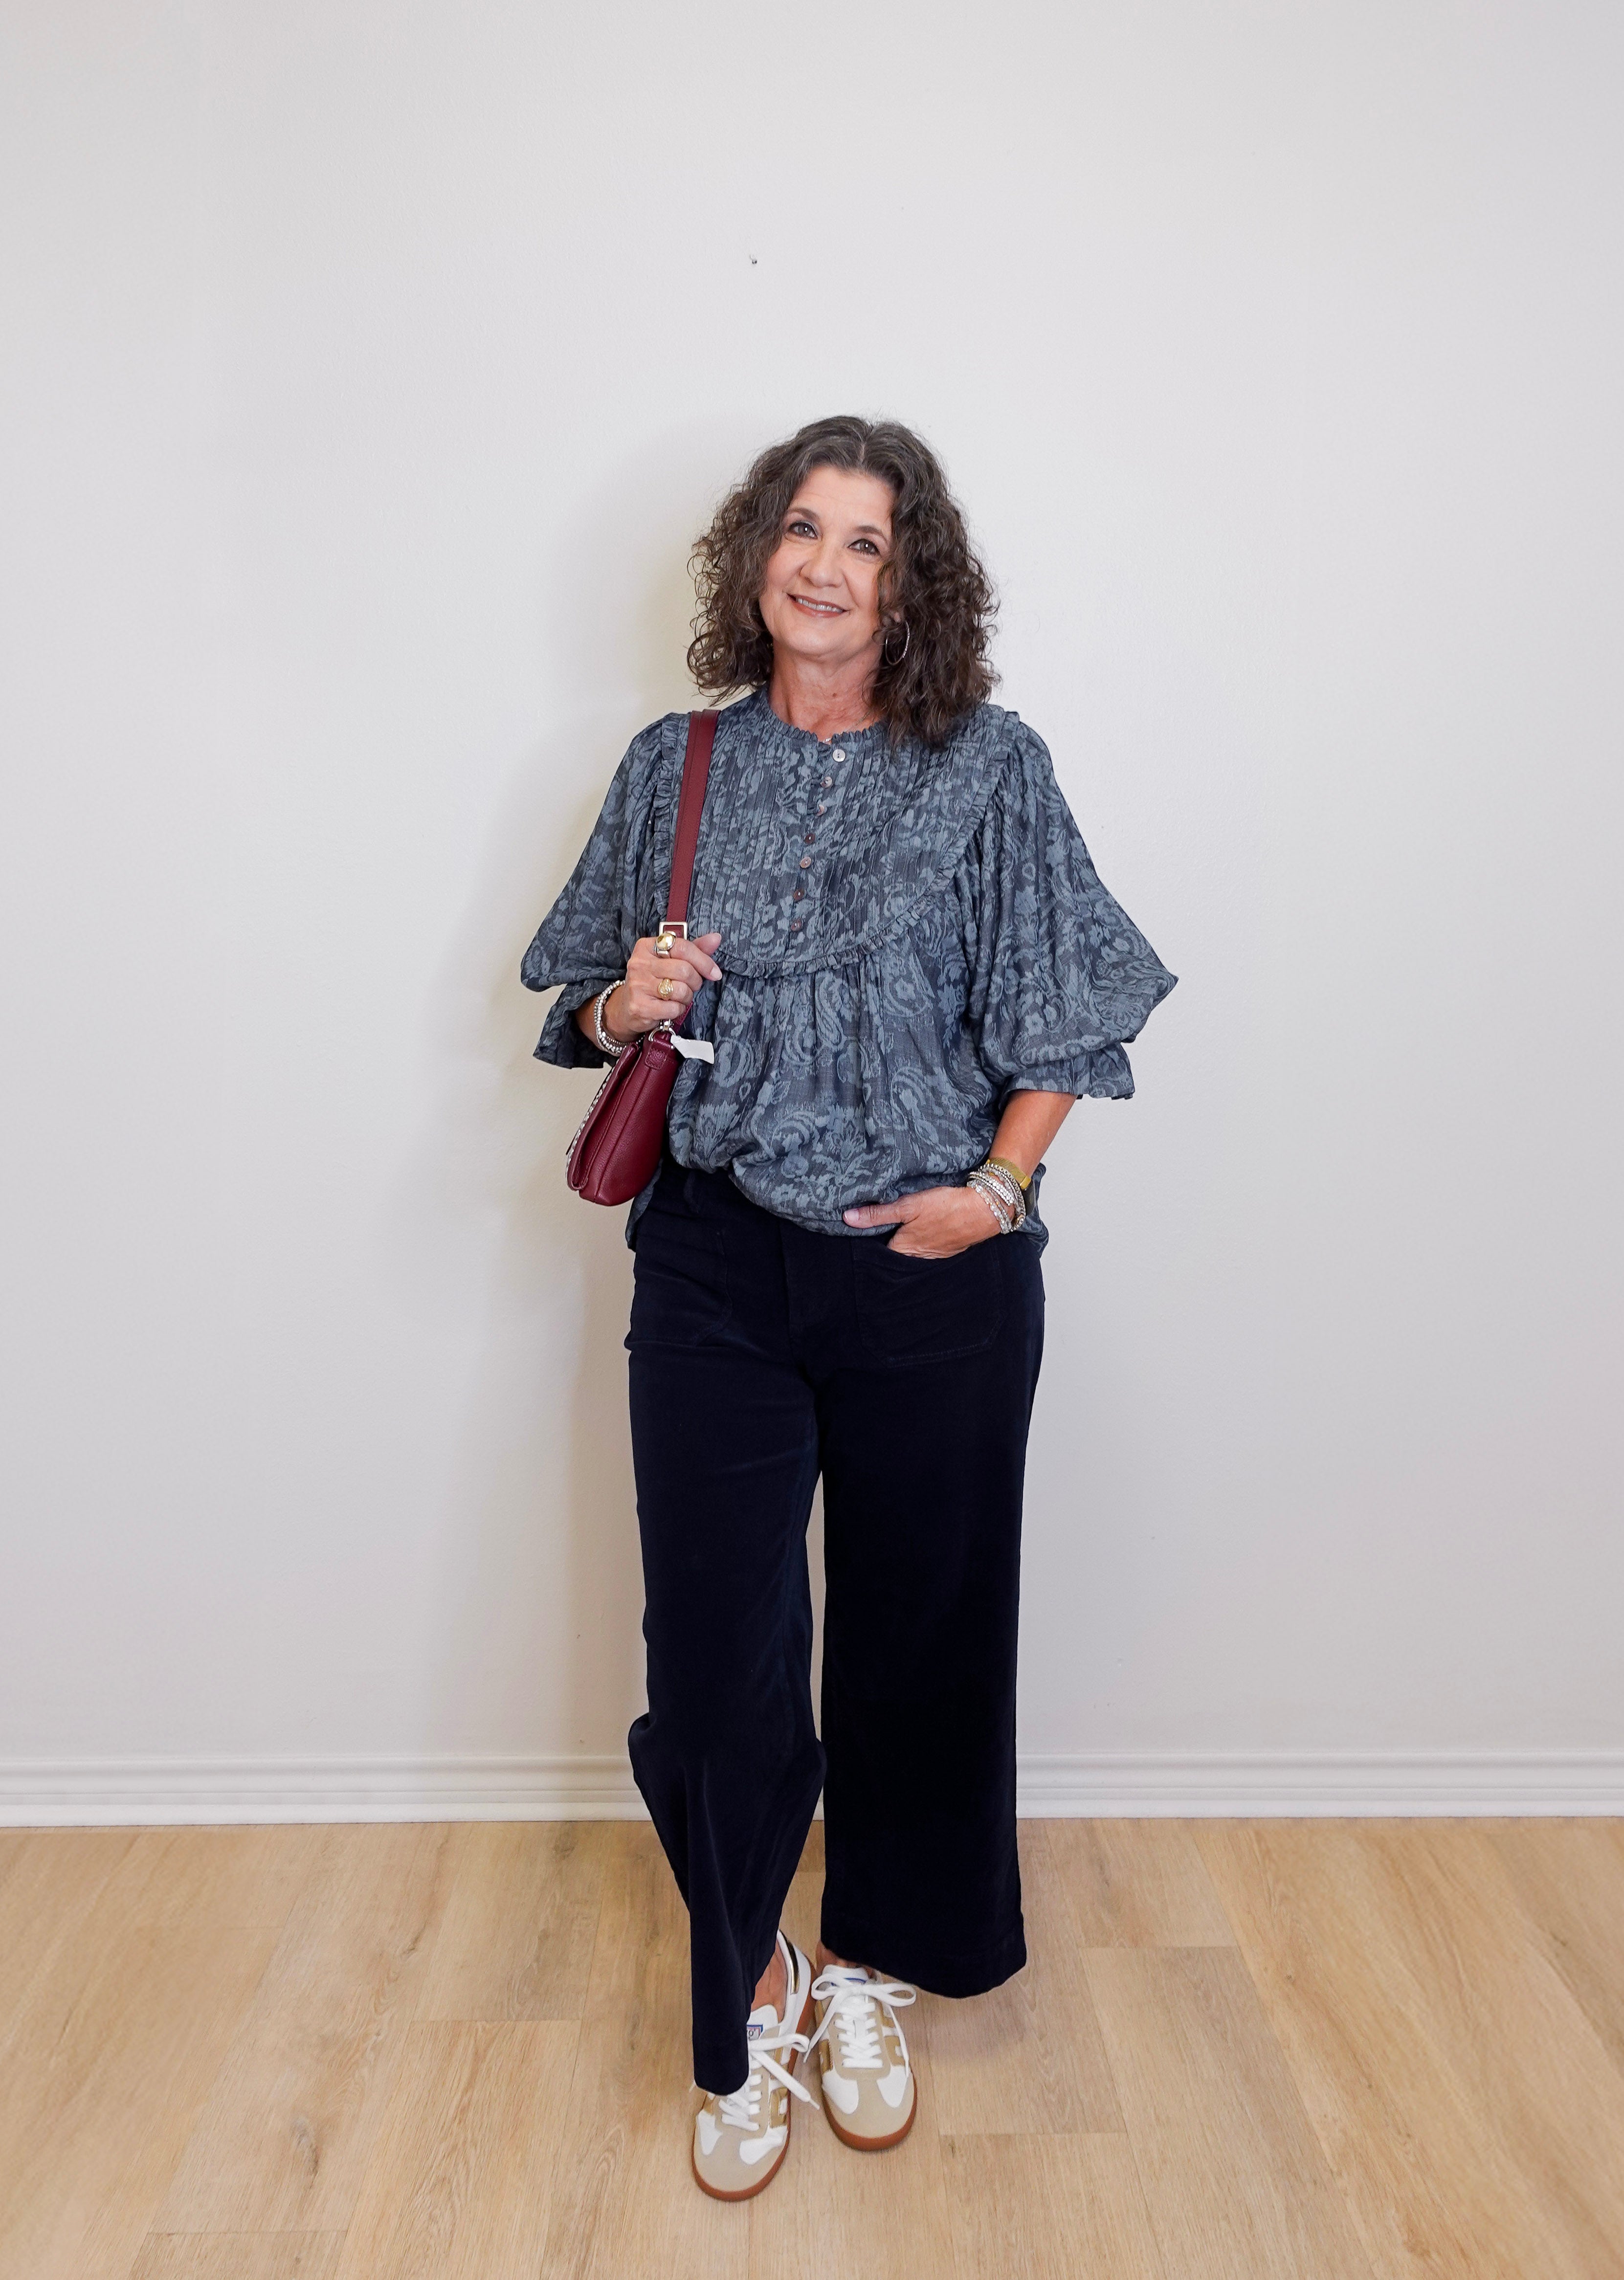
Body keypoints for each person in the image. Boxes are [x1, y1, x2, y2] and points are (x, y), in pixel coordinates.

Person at [521, 415, 1175, 2200]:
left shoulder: (988, 766)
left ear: (912, 580)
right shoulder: (679, 762)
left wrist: (998, 1193)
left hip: (930, 1267)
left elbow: (1069, 1015)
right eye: (798, 531)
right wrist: (622, 1003)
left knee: (920, 1635)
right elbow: (573, 999)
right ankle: (749, 1987)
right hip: (717, 1254)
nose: (823, 565)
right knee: (713, 1662)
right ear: (755, 560)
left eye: (865, 542)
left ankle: (875, 1967)